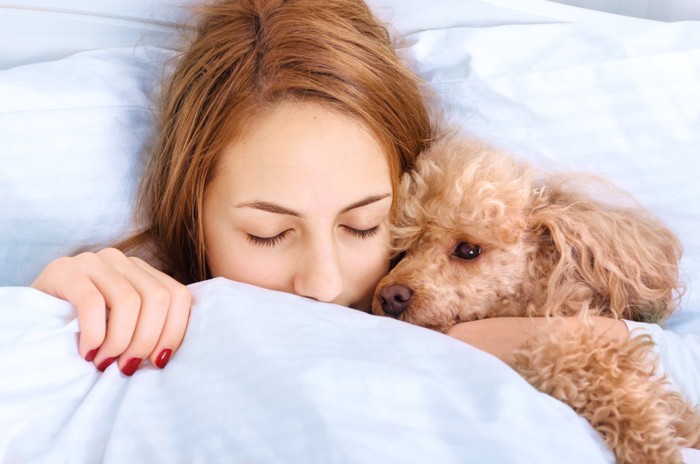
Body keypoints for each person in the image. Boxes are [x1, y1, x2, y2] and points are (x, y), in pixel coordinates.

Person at [28, 0, 700, 409]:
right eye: (267, 233)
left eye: (366, 226)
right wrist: (43, 318)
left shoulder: (501, 307)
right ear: (192, 221)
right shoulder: (145, 302)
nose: (325, 285)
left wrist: (570, 344)